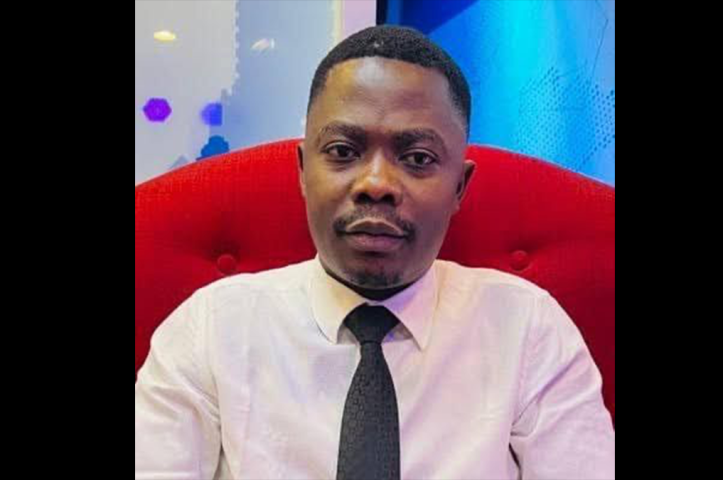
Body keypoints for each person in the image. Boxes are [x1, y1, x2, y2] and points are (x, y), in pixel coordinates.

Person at [135, 25, 615, 480]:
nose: (376, 184)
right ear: (303, 171)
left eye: (418, 159)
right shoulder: (210, 329)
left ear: (459, 188)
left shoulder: (528, 329)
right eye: (343, 151)